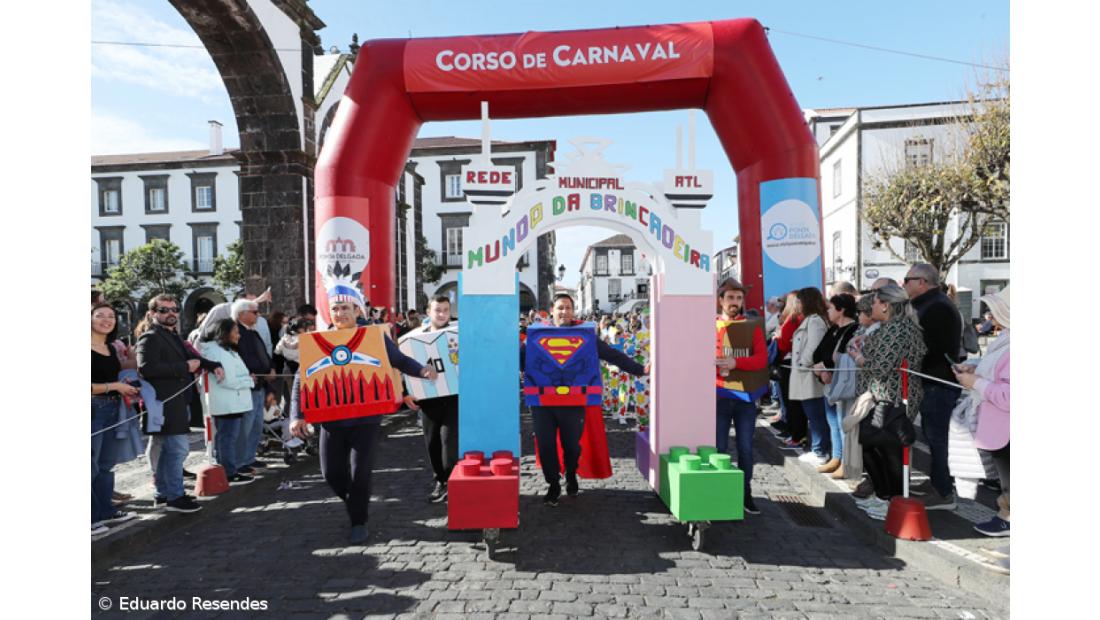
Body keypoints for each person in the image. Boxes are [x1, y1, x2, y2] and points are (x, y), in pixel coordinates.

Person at [289, 292, 436, 544]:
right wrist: (296, 415)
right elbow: (302, 378)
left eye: (345, 307)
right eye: (335, 308)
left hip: (365, 418)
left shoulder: (373, 337)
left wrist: (422, 370)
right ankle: (354, 500)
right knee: (331, 473)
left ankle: (359, 520)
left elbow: (398, 360)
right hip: (331, 419)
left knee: (360, 473)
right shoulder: (317, 341)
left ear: (357, 311)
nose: (340, 313)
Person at [523, 293, 648, 506]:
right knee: (545, 445)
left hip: (574, 401)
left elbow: (612, 355)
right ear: (552, 309)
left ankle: (571, 473)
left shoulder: (586, 336)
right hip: (542, 402)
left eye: (568, 308)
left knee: (571, 445)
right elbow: (520, 359)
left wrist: (640, 369)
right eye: (560, 307)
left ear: (573, 311)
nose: (564, 312)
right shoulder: (536, 336)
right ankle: (553, 484)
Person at [135, 294, 223, 513]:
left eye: (174, 309)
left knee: (169, 450)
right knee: (177, 450)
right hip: (163, 402)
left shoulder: (173, 336)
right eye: (164, 310)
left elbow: (191, 357)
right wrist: (184, 367)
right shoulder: (150, 337)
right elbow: (145, 369)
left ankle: (163, 494)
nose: (170, 313)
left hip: (178, 401)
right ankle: (175, 496)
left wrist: (213, 365)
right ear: (153, 313)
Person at [850, 283, 926, 520]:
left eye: (873, 302)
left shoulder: (898, 329)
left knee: (888, 449)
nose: (870, 306)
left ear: (885, 305)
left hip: (893, 398)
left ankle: (892, 500)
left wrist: (859, 357)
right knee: (873, 444)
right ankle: (885, 497)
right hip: (881, 396)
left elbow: (880, 368)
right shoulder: (889, 326)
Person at [903, 263, 962, 510]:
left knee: (937, 438)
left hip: (937, 382)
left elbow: (930, 346)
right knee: (932, 436)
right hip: (930, 379)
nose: (903, 284)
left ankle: (943, 491)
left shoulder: (936, 306)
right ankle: (938, 482)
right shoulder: (928, 303)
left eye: (907, 279)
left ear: (922, 282)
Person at [954, 286, 1010, 537]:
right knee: (1005, 475)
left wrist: (974, 382)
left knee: (1010, 476)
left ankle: (1008, 518)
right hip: (999, 426)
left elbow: (1009, 396)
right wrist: (973, 367)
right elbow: (995, 369)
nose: (991, 313)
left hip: (1006, 427)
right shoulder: (1007, 337)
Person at [714, 279, 769, 514]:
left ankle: (745, 492)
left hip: (745, 398)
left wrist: (737, 362)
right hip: (718, 395)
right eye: (730, 298)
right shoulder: (711, 326)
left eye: (738, 298)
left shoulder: (752, 326)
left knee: (746, 447)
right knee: (719, 447)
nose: (735, 302)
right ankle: (719, 491)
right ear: (721, 300)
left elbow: (761, 359)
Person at [401, 296, 460, 503]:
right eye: (438, 310)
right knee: (432, 442)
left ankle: (452, 483)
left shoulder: (456, 334)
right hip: (428, 400)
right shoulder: (412, 338)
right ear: (428, 312)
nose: (442, 314)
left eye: (445, 310)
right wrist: (405, 392)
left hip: (453, 398)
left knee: (449, 441)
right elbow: (404, 365)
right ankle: (440, 482)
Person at [92, 303, 141, 535]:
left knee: (105, 465)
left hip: (113, 408)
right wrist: (115, 386)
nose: (106, 319)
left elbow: (115, 375)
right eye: (99, 315)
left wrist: (127, 384)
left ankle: (106, 512)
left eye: (111, 316)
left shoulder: (111, 348)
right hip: (92, 410)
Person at [198, 319, 256, 486]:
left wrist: (246, 379)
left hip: (231, 402)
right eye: (235, 331)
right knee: (227, 438)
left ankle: (229, 470)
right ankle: (229, 473)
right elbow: (227, 380)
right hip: (227, 403)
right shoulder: (218, 352)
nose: (238, 335)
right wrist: (249, 380)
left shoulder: (226, 350)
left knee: (227, 437)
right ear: (225, 332)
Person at [811, 294, 859, 475]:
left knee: (842, 422)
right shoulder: (832, 329)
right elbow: (819, 353)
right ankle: (836, 457)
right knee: (832, 422)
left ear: (842, 310)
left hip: (842, 383)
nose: (827, 311)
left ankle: (846, 462)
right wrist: (821, 368)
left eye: (831, 308)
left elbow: (843, 357)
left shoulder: (853, 329)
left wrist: (826, 368)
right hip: (828, 383)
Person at [789, 287, 831, 467]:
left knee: (815, 414)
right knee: (812, 413)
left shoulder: (815, 321)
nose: (796, 305)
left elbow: (814, 345)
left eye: (798, 301)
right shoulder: (810, 320)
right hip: (805, 374)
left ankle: (820, 450)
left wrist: (802, 362)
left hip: (809, 375)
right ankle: (818, 448)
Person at [233, 299, 274, 476]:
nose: (258, 315)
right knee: (246, 425)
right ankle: (240, 460)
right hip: (248, 386)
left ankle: (249, 457)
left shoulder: (253, 332)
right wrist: (261, 372)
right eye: (255, 312)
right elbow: (242, 359)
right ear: (242, 314)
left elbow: (264, 354)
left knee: (256, 424)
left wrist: (270, 368)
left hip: (260, 385)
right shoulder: (237, 333)